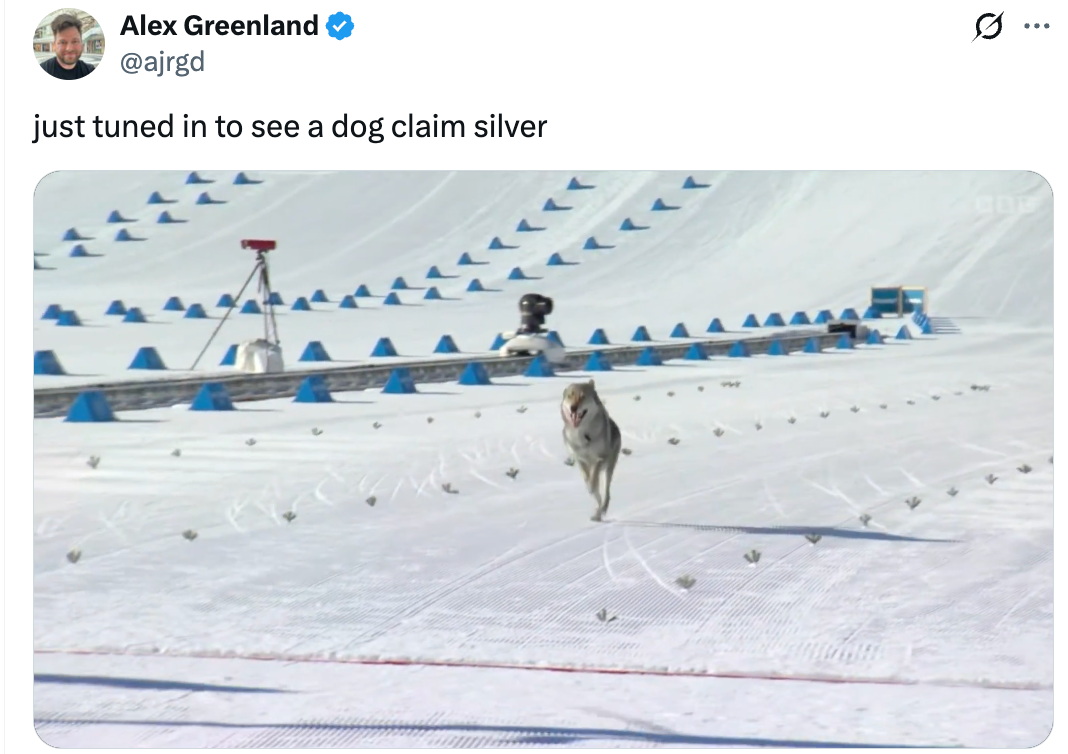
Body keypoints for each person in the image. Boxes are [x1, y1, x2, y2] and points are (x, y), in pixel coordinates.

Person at [40, 14, 95, 80]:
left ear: (81, 43)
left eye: (75, 41)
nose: (69, 49)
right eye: (62, 42)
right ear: (54, 45)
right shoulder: (44, 69)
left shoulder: (90, 71)